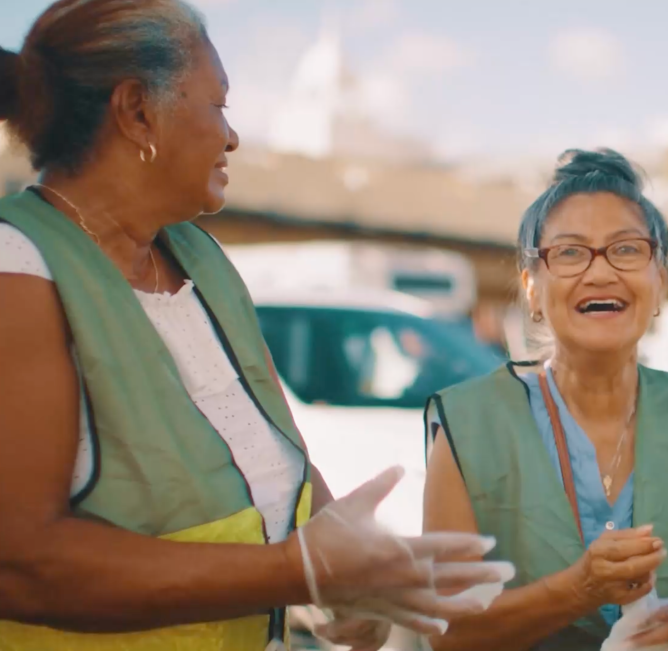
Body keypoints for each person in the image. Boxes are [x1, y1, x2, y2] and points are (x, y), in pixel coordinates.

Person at [0, 2, 512, 650]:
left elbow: (276, 450)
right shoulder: (18, 266)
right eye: (219, 105)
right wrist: (296, 570)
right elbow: (21, 564)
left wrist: (344, 581)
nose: (232, 136)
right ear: (136, 112)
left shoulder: (203, 261)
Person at [422, 149, 668, 650]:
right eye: (569, 252)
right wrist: (578, 590)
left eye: (627, 250)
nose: (601, 272)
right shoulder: (467, 425)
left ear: (659, 284)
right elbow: (447, 634)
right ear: (532, 289)